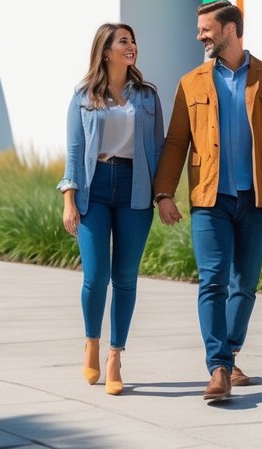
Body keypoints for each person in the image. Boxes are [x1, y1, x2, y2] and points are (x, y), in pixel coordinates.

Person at [153, 0, 262, 402]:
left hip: (257, 198)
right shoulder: (191, 82)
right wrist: (163, 192)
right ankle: (218, 368)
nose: (200, 35)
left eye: (206, 29)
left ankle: (230, 351)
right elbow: (175, 142)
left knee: (245, 284)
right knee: (212, 280)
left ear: (230, 30)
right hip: (209, 198)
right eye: (200, 28)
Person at [58, 22, 164, 396]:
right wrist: (69, 198)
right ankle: (91, 343)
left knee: (126, 278)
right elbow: (73, 151)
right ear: (106, 51)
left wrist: (164, 195)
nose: (131, 45)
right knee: (96, 276)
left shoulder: (148, 96)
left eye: (133, 40)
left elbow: (160, 149)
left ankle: (115, 356)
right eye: (123, 41)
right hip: (94, 188)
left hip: (135, 189)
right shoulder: (83, 95)